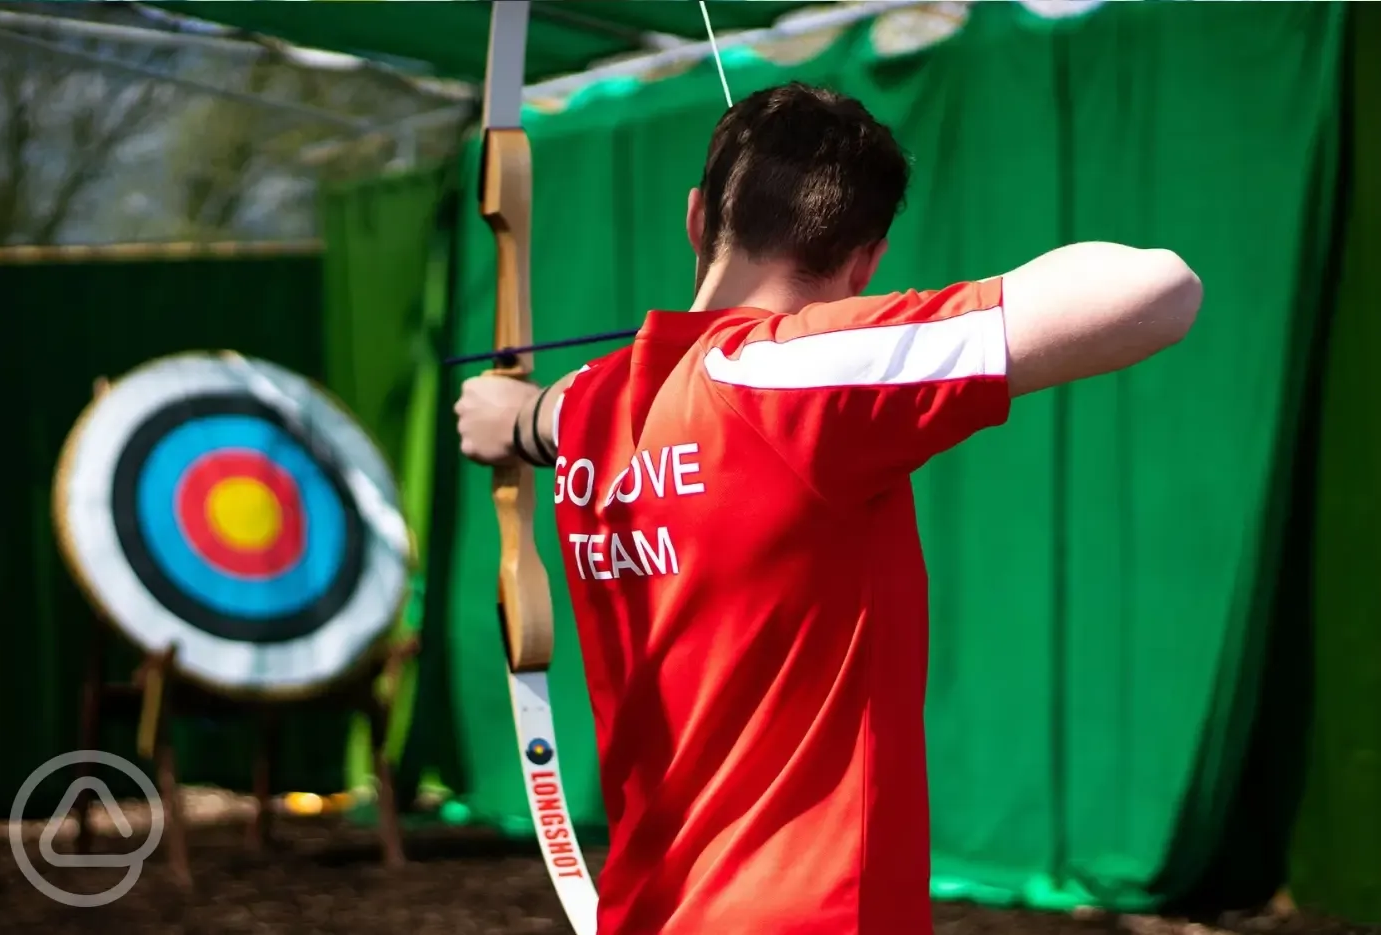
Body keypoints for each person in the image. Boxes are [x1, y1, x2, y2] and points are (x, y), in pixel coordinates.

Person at [455, 82, 1201, 935]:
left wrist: (507, 417)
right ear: (867, 262)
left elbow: (538, 418)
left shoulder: (588, 407)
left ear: (698, 219)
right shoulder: (795, 380)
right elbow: (1162, 288)